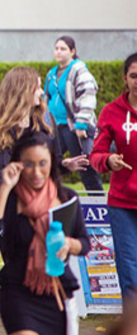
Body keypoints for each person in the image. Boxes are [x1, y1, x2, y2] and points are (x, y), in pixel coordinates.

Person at [0, 132, 90, 335]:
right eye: (29, 164)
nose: (37, 172)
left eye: (43, 163)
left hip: (56, 291)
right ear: (18, 165)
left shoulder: (66, 198)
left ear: (52, 163)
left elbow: (85, 243)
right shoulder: (10, 198)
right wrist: (5, 187)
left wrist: (68, 244)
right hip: (19, 291)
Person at [90, 52, 137, 311]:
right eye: (133, 76)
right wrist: (108, 161)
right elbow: (95, 154)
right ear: (125, 78)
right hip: (122, 205)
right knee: (129, 270)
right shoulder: (111, 112)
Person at [0, 66, 52, 203]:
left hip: (38, 205)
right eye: (37, 88)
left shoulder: (44, 123)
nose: (42, 92)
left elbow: (53, 167)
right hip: (5, 209)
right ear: (23, 91)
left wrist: (66, 166)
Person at [46, 36, 103, 192]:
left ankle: (97, 202)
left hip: (73, 127)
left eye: (63, 48)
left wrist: (81, 123)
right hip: (56, 127)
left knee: (83, 166)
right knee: (51, 162)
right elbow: (46, 98)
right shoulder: (51, 74)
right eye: (56, 48)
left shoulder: (78, 69)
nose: (58, 52)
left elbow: (88, 94)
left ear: (72, 51)